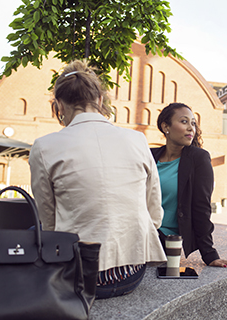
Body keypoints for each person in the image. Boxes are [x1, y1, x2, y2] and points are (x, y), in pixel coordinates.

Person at [29, 60, 166, 299]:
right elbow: (154, 207)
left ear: (59, 105)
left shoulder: (44, 146)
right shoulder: (137, 140)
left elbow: (47, 218)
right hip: (131, 272)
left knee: (30, 230)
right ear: (100, 100)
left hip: (79, 273)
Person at [151, 103, 227, 268]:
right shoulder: (150, 156)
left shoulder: (198, 159)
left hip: (166, 242)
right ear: (166, 127)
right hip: (142, 235)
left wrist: (209, 254)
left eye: (193, 123)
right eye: (184, 122)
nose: (190, 128)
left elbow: (201, 206)